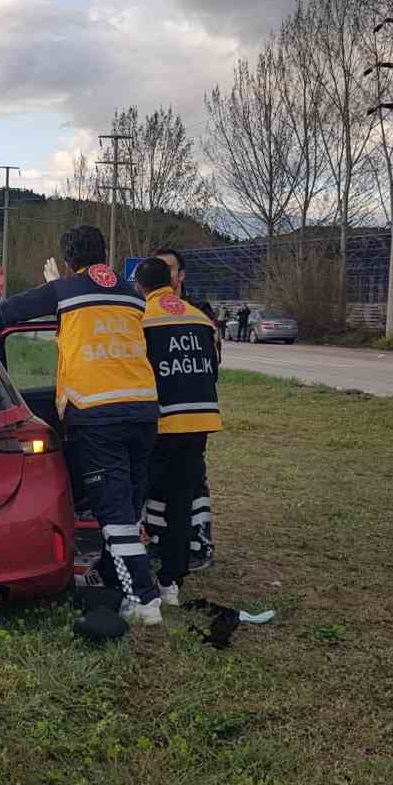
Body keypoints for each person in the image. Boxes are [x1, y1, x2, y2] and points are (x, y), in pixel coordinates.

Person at [0, 225, 164, 626]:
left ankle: (144, 600)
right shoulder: (132, 294)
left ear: (69, 261)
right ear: (104, 253)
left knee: (113, 513)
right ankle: (113, 576)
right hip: (144, 409)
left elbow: (8, 312)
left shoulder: (64, 289)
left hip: (97, 411)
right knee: (130, 504)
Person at [134, 257, 221, 604]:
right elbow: (212, 370)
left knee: (139, 497)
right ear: (171, 283)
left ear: (141, 287)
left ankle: (129, 572)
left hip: (162, 422)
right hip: (199, 422)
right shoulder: (200, 318)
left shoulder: (142, 320)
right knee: (181, 502)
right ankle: (173, 581)